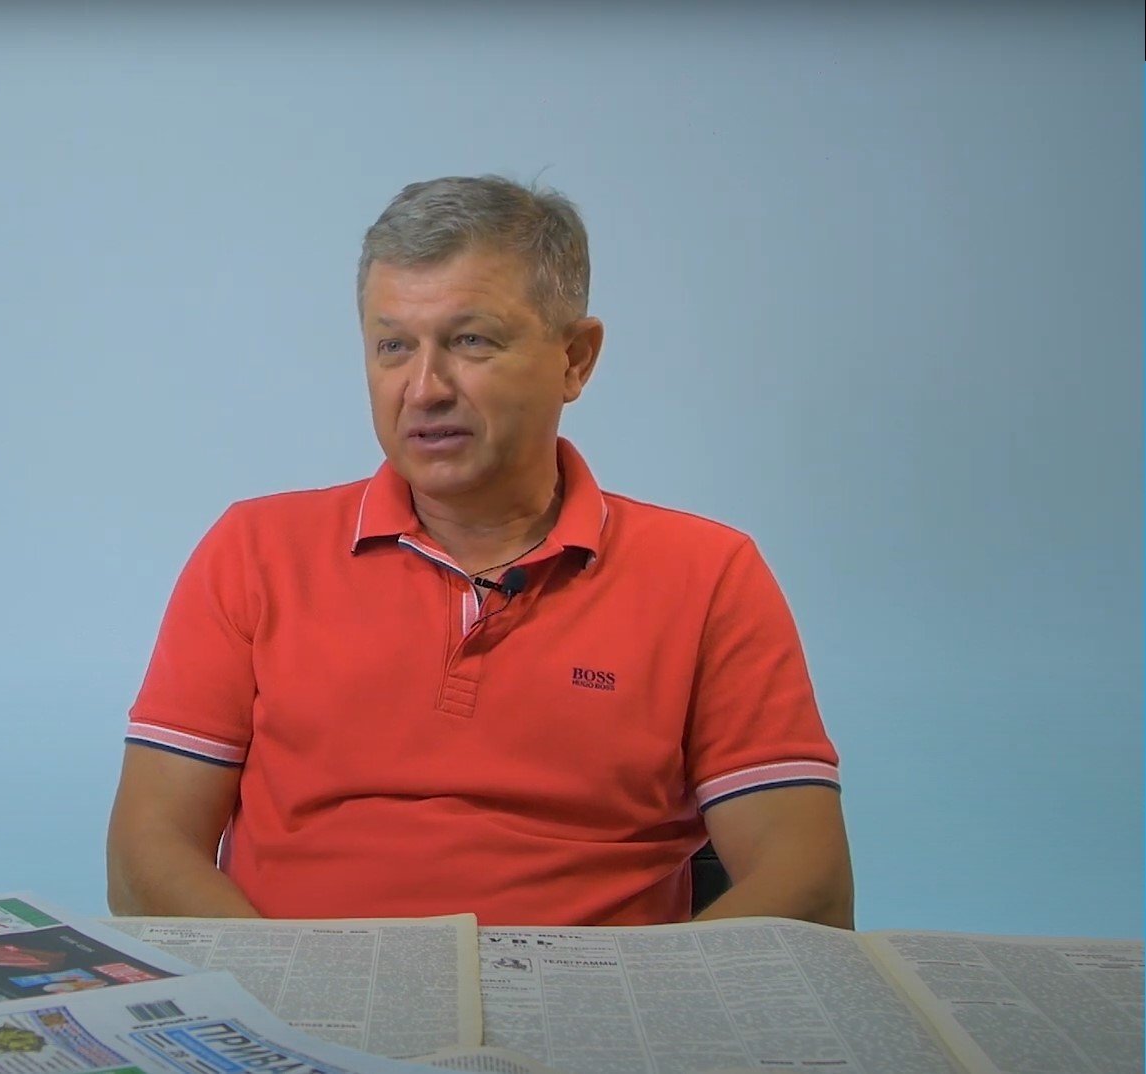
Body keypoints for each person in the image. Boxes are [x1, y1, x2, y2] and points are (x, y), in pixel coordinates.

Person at [104, 175, 854, 928]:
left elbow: (806, 883)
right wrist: (280, 987)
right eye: (393, 346)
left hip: (589, 999)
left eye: (470, 341)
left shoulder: (708, 575)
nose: (423, 388)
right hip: (300, 990)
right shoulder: (254, 551)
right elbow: (147, 855)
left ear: (575, 359)